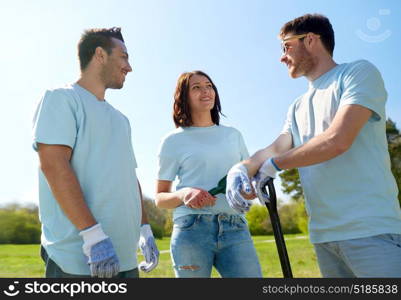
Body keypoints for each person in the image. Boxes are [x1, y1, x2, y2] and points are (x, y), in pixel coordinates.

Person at [226, 14, 401, 278]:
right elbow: (275, 148)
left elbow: (338, 139)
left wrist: (275, 165)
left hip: (370, 231)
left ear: (310, 40)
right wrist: (242, 168)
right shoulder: (296, 107)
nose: (281, 57)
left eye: (286, 47)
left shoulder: (357, 73)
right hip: (323, 239)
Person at [32, 27, 159, 278]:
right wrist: (93, 236)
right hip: (81, 260)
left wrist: (144, 227)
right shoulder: (62, 99)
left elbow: (129, 177)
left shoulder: (121, 120)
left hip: (124, 259)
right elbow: (54, 166)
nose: (129, 67)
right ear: (100, 54)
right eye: (124, 56)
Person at [155, 71, 262, 278]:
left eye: (209, 86)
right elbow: (160, 198)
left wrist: (249, 193)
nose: (205, 91)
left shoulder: (233, 135)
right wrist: (184, 193)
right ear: (183, 96)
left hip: (235, 226)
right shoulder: (172, 141)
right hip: (191, 228)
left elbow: (248, 179)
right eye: (196, 87)